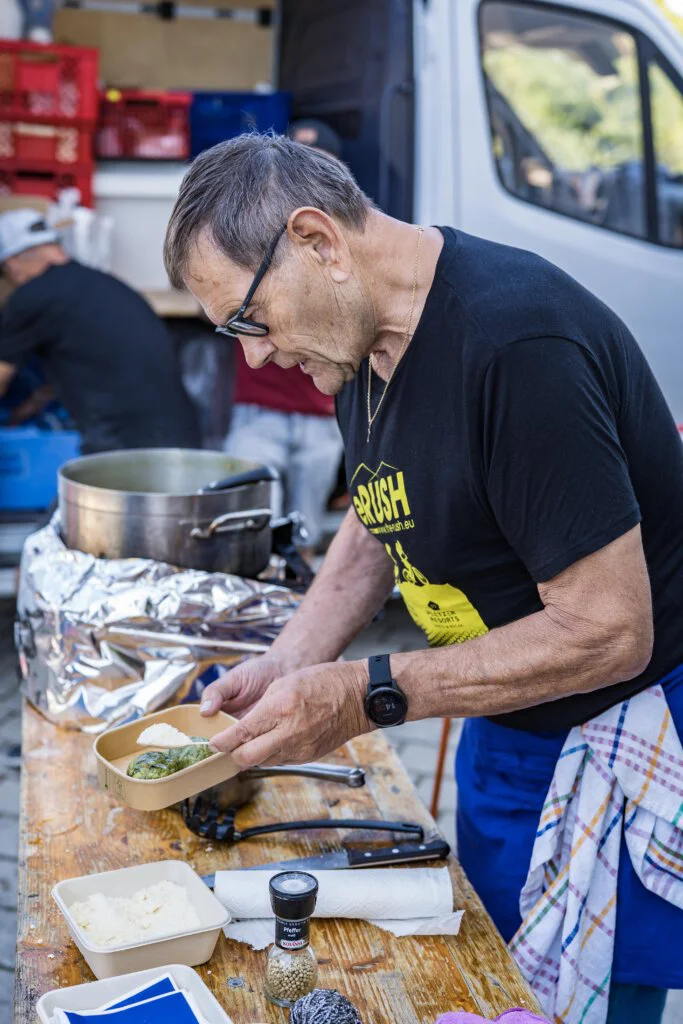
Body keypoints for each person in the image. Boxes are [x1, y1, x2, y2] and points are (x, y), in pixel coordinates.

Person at [163, 134, 683, 1024]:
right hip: (499, 708)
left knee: (592, 999)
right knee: (496, 968)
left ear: (319, 241)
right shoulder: (360, 334)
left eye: (248, 320)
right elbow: (381, 501)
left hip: (619, 736)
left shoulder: (516, 346)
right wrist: (294, 658)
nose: (252, 359)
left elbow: (608, 629)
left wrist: (370, 694)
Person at [224, 120, 344, 558]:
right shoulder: (249, 227)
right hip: (261, 407)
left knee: (306, 536)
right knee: (246, 533)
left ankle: (301, 617)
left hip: (321, 411)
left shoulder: (350, 235)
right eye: (298, 164)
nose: (308, 178)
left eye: (320, 166)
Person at [0, 208, 199, 454]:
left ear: (12, 263)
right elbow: (90, 364)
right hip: (180, 436)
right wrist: (29, 407)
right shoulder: (105, 285)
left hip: (126, 448)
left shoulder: (31, 296)